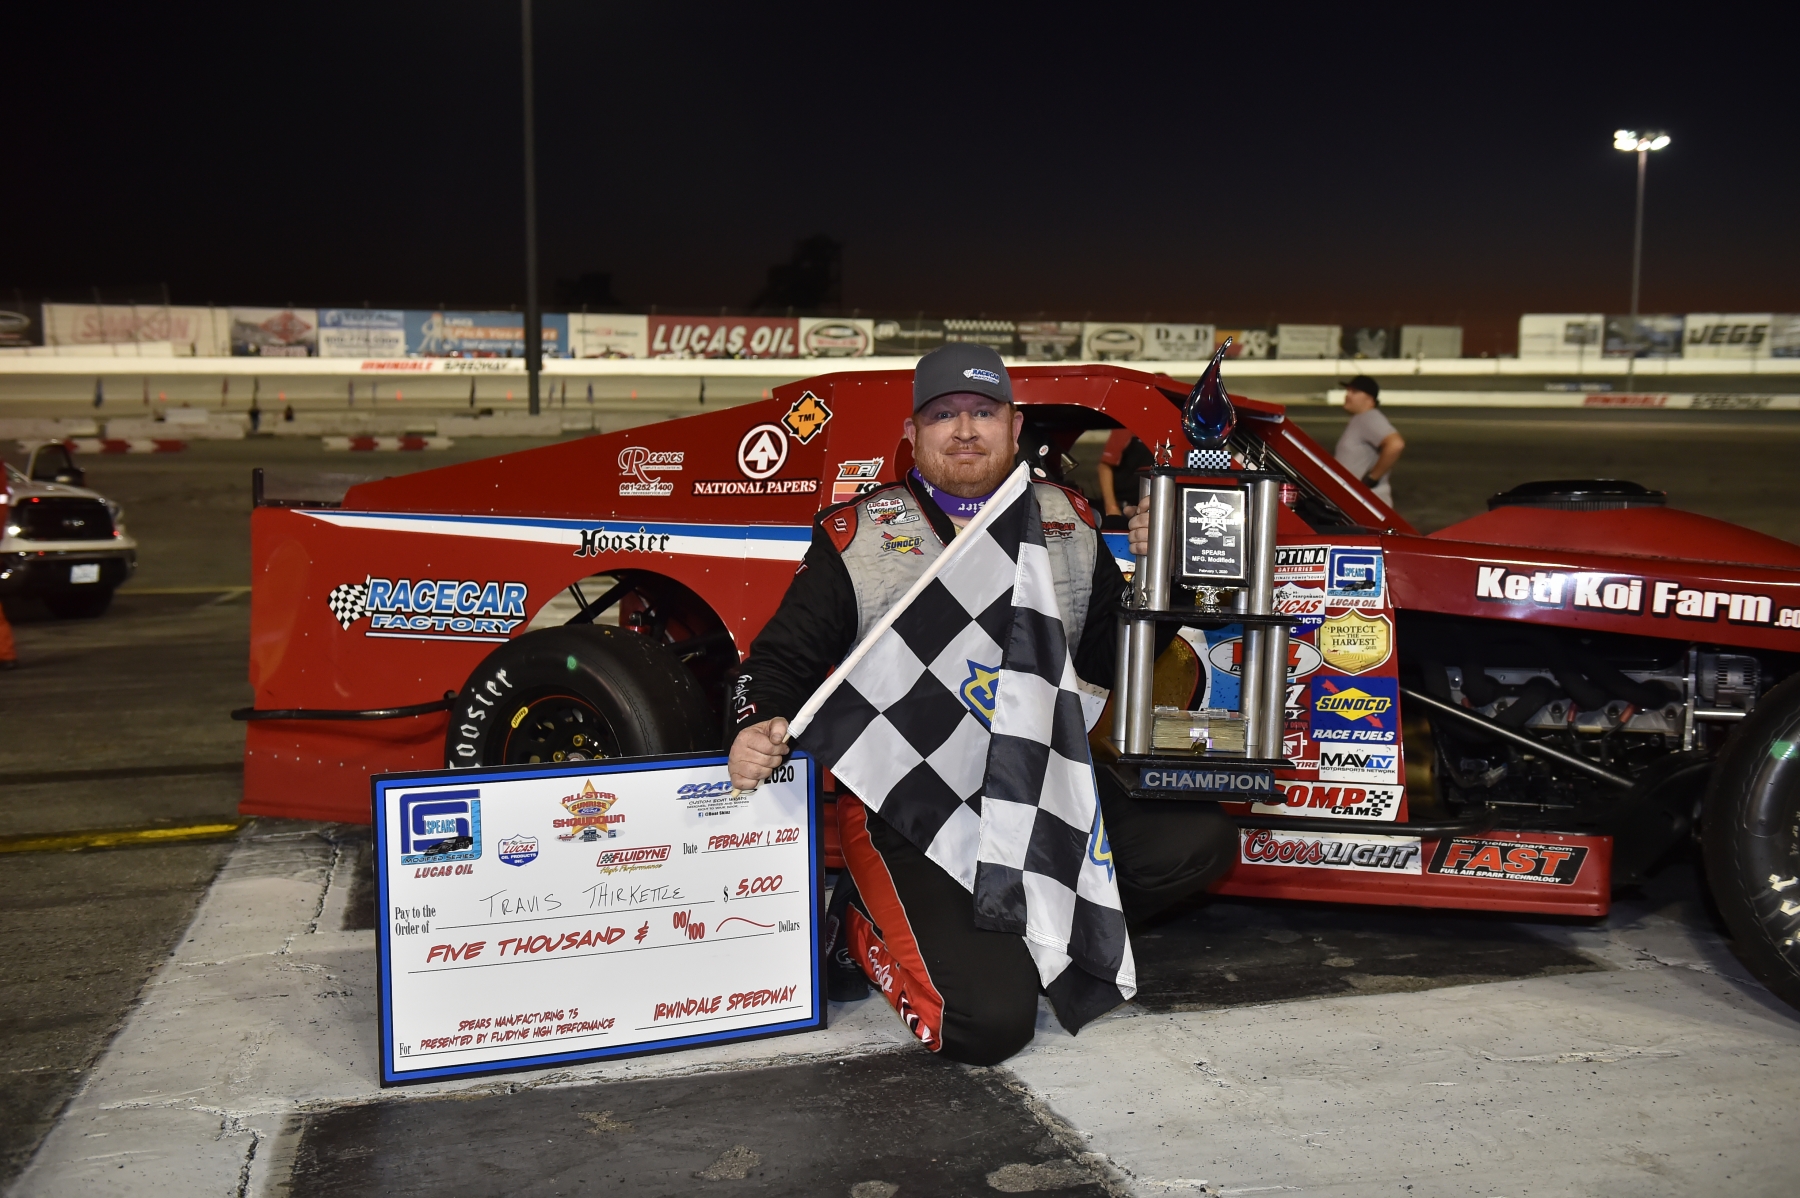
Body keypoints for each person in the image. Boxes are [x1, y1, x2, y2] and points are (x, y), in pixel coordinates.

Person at [726, 343, 1235, 1065]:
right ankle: (860, 919)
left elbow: (1104, 661)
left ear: (1015, 426)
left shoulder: (1067, 518)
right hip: (911, 801)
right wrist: (754, 724)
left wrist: (1165, 578)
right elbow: (778, 663)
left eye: (983, 412)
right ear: (913, 434)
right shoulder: (859, 534)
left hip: (1039, 783)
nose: (965, 430)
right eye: (943, 415)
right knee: (988, 1026)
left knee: (1196, 843)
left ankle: (1030, 927)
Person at [1333, 374, 1404, 506]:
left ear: (1370, 399)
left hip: (1367, 503)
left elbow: (1395, 444)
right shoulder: (1360, 419)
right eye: (1348, 391)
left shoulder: (1369, 417)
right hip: (1359, 502)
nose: (1348, 395)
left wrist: (1371, 479)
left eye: (1354, 392)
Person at [1095, 428, 1156, 522]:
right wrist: (1111, 508)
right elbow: (1105, 466)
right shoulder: (1128, 428)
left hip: (1153, 510)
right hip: (1123, 509)